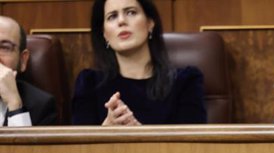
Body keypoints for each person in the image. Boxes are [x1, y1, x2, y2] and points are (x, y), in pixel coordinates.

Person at [72, 0, 206, 125]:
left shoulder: (185, 82)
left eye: (131, 12)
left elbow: (193, 146)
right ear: (104, 34)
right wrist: (105, 132)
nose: (122, 21)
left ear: (150, 23)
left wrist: (139, 136)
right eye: (112, 16)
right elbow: (78, 148)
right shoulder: (88, 83)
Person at [0, 16, 57, 126]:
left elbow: (27, 143)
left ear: (22, 60)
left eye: (5, 47)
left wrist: (15, 105)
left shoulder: (41, 106)